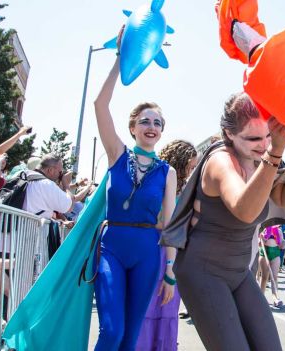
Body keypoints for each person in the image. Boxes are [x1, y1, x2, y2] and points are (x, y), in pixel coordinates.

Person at [171, 92, 285, 351]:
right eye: (253, 138)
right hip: (203, 273)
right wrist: (275, 151)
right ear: (229, 134)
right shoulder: (220, 161)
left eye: (268, 135)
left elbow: (282, 198)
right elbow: (245, 211)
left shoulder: (256, 160)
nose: (263, 144)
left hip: (239, 272)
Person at [91, 33, 177, 351]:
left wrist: (170, 272)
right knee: (112, 331)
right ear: (133, 127)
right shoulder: (117, 154)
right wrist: (119, 58)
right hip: (112, 248)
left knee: (130, 340)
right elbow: (100, 104)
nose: (151, 126)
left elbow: (169, 225)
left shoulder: (168, 172)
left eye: (157, 122)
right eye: (145, 121)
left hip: (147, 254)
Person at [137, 139, 197, 351]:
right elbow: (160, 221)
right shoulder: (160, 182)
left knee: (167, 309)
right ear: (180, 163)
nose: (192, 171)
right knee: (149, 309)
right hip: (156, 249)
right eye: (190, 166)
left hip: (172, 251)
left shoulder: (185, 189)